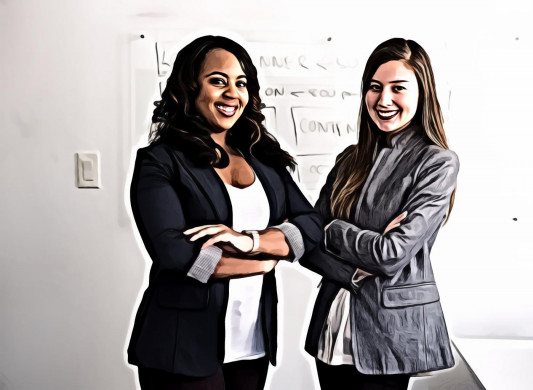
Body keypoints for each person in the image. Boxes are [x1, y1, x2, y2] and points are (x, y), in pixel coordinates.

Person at [127, 35, 321, 390]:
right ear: (189, 88)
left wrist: (250, 242)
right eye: (218, 81)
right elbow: (175, 254)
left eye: (241, 83)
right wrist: (262, 262)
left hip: (251, 342)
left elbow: (309, 225)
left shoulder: (262, 157)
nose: (233, 93)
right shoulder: (160, 161)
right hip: (181, 344)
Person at [300, 38, 459, 390]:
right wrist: (352, 267)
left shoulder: (436, 163)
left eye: (397, 88)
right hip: (333, 322)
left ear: (423, 93)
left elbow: (390, 255)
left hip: (389, 333)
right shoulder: (348, 159)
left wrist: (334, 230)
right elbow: (308, 243)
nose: (383, 100)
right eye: (375, 88)